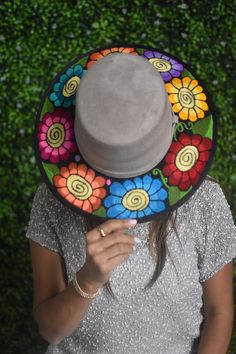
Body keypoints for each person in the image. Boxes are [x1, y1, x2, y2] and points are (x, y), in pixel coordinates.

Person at [26, 47, 236, 354]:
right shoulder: (51, 202)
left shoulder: (205, 201)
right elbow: (50, 330)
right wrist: (88, 280)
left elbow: (220, 313)